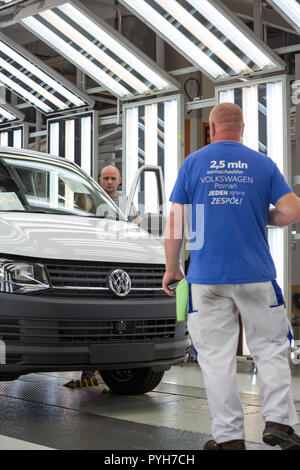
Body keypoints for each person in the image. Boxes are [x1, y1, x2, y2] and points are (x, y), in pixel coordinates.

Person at [162, 103, 300, 451]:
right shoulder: (262, 163)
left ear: (210, 129)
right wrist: (259, 216)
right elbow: (292, 210)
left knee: (216, 358)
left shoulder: (193, 164)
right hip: (256, 275)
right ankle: (280, 423)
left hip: (207, 278)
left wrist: (172, 267)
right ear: (242, 128)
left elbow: (175, 223)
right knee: (269, 348)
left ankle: (229, 440)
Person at [81, 165, 141, 382]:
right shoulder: (91, 200)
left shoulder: (125, 203)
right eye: (105, 178)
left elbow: (137, 220)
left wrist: (123, 227)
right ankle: (88, 369)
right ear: (99, 179)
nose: (108, 181)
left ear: (119, 180)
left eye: (112, 178)